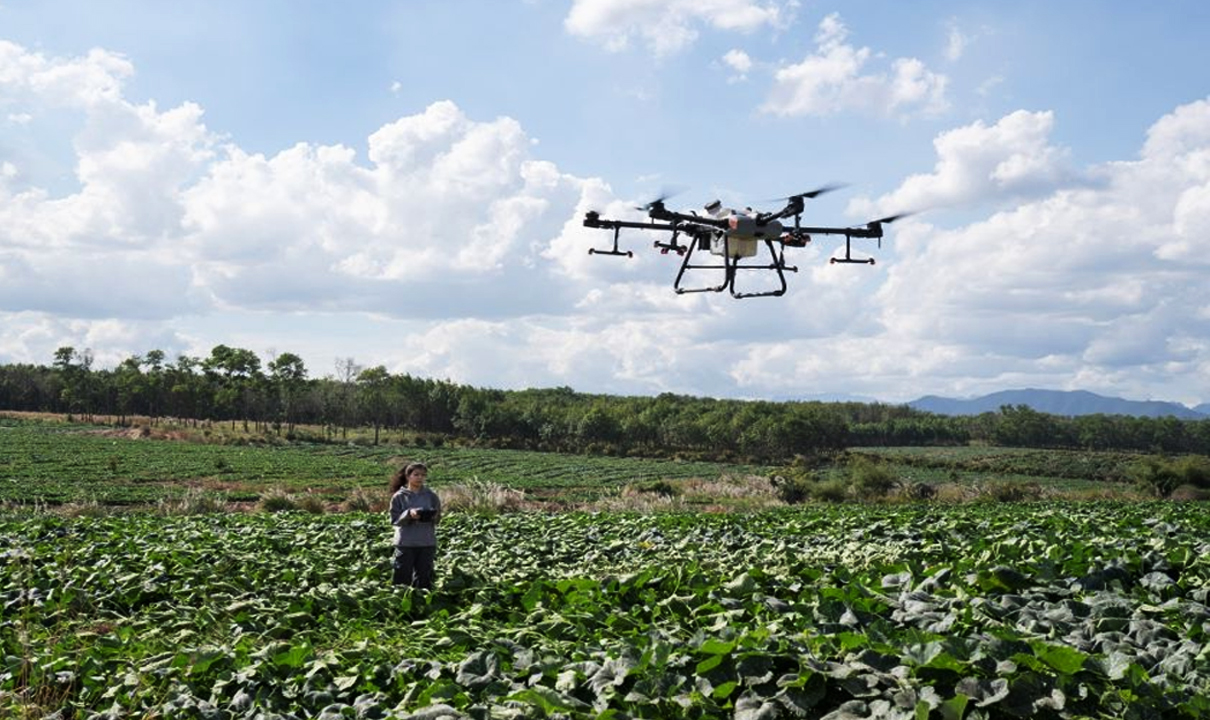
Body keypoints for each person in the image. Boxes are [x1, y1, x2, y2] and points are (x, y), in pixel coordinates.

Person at [388, 462, 442, 589]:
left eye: (423, 475)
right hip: (406, 542)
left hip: (426, 542)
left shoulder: (431, 496)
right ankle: (400, 604)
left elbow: (438, 518)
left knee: (424, 578)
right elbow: (394, 519)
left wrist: (432, 516)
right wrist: (408, 514)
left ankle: (421, 604)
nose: (420, 478)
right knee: (402, 576)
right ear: (408, 476)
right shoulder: (399, 497)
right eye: (416, 474)